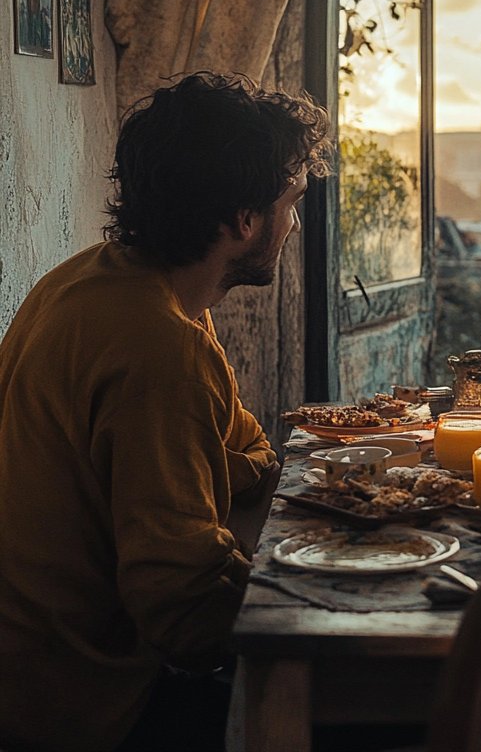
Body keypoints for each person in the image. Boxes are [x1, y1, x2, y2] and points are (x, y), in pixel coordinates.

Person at [0, 72, 332, 751]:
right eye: (290, 203)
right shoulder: (159, 349)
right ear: (245, 219)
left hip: (41, 667)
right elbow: (181, 607)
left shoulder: (101, 282)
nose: (293, 223)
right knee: (343, 707)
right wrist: (326, 603)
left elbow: (257, 458)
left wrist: (223, 476)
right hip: (82, 702)